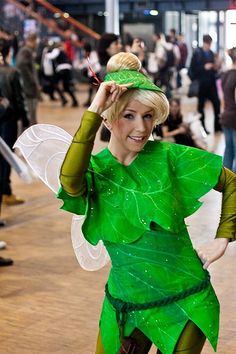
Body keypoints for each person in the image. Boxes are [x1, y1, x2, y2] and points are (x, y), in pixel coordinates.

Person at [57, 52, 235, 354]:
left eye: (148, 116)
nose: (142, 128)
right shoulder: (96, 171)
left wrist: (223, 239)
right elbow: (69, 182)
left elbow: (231, 182)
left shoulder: (170, 157)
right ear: (109, 118)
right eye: (129, 115)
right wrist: (94, 108)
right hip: (124, 305)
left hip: (185, 300)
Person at [0, 40, 29, 206]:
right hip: (9, 119)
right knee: (7, 156)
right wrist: (25, 119)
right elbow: (19, 99)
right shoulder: (12, 72)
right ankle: (6, 192)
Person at [188, 34, 221, 133]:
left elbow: (215, 71)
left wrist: (215, 67)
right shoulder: (197, 53)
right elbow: (192, 70)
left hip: (211, 84)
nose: (209, 46)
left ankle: (217, 126)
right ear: (204, 43)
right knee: (201, 107)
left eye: (210, 44)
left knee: (217, 104)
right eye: (207, 44)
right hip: (202, 84)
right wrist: (204, 67)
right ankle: (202, 128)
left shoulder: (211, 53)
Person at [16, 32, 40, 125]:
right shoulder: (26, 51)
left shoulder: (27, 50)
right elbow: (21, 65)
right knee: (30, 113)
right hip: (28, 88)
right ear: (32, 41)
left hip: (29, 87)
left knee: (32, 114)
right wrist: (32, 80)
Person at [220, 47, 236, 173]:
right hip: (234, 117)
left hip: (226, 115)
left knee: (229, 150)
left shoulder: (226, 74)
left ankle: (225, 183)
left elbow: (223, 99)